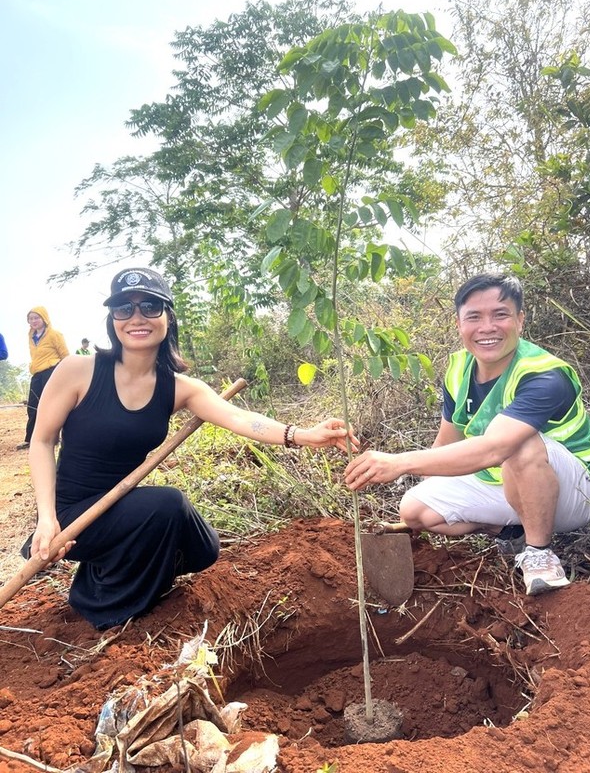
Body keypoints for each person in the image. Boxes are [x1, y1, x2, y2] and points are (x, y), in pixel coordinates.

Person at [26, 266, 358, 631]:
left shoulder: (179, 388)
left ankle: (109, 566)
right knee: (168, 504)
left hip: (121, 508)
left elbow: (239, 419)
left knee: (203, 548)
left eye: (150, 306)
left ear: (168, 315)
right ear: (113, 319)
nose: (137, 318)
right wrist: (47, 517)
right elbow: (42, 441)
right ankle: (108, 610)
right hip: (72, 517)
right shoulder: (78, 370)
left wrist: (302, 434)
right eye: (124, 308)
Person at [345, 273, 590, 596]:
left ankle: (539, 553)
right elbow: (447, 441)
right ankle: (509, 531)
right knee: (415, 509)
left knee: (519, 446)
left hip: (574, 491)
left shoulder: (543, 375)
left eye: (500, 315)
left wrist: (399, 462)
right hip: (508, 482)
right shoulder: (459, 369)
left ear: (520, 320)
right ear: (459, 324)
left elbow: (495, 448)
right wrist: (426, 498)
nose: (487, 327)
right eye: (474, 317)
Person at [18, 307, 69, 450]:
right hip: (37, 374)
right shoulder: (31, 335)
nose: (33, 321)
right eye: (30, 318)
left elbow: (65, 355)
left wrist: (66, 375)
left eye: (36, 318)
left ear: (44, 318)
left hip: (51, 371)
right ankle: (30, 439)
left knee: (51, 406)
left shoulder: (55, 335)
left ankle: (53, 438)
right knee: (33, 406)